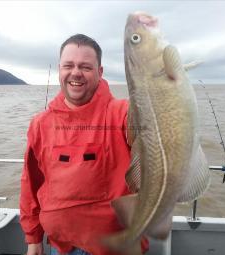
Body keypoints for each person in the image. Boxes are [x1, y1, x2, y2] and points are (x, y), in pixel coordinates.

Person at [20, 34, 147, 255]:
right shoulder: (40, 124)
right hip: (60, 247)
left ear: (100, 72)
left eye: (86, 67)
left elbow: (154, 124)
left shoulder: (123, 113)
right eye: (68, 65)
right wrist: (33, 238)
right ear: (60, 69)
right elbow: (31, 184)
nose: (76, 72)